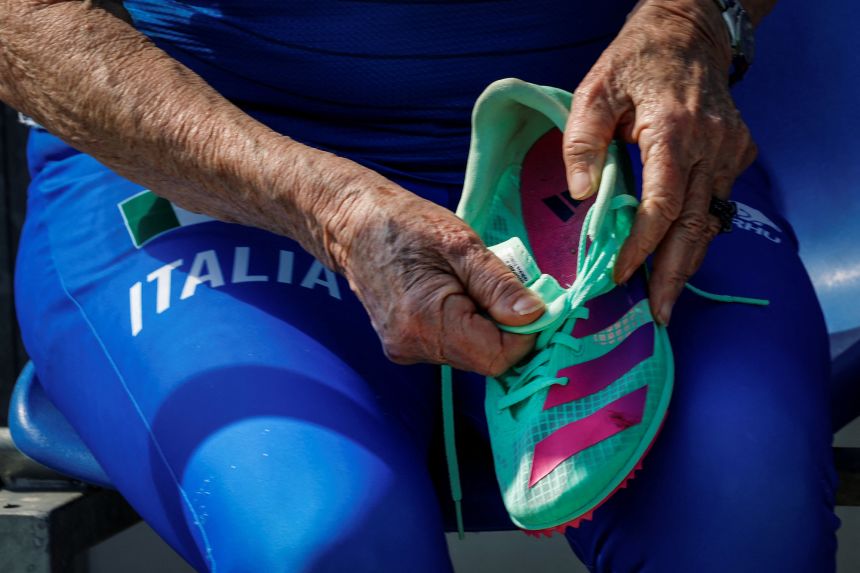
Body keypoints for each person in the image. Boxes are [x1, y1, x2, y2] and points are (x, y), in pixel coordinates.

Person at [0, 0, 838, 571]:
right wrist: (326, 207)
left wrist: (692, 20)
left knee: (744, 502)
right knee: (326, 537)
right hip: (216, 154)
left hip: (593, 132)